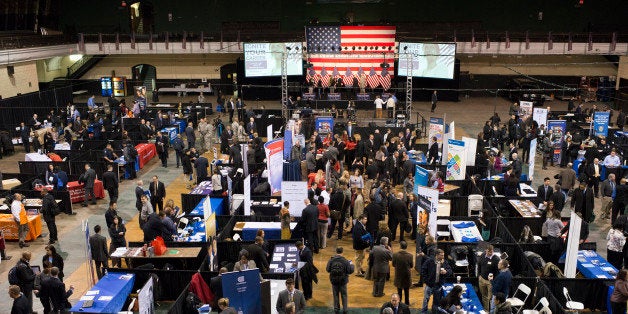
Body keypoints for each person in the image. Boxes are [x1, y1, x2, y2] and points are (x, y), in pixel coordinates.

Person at [421, 249, 452, 314]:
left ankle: (434, 312)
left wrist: (446, 271)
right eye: (441, 255)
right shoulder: (429, 261)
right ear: (437, 255)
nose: (443, 257)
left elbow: (450, 270)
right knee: (426, 300)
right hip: (429, 285)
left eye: (443, 255)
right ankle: (424, 312)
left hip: (438, 285)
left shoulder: (444, 262)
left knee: (436, 301)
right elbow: (423, 270)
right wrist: (426, 281)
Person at [326, 246, 354, 314]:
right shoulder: (345, 261)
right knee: (344, 295)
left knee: (335, 294)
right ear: (342, 252)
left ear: (336, 251)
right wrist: (352, 265)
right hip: (343, 281)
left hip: (334, 280)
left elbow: (327, 269)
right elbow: (350, 271)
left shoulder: (331, 260)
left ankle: (336, 309)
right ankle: (345, 309)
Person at [477, 245, 500, 310]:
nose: (490, 253)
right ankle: (486, 310)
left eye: (491, 252)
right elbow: (479, 265)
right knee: (484, 296)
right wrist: (479, 275)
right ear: (486, 250)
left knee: (490, 298)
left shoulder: (496, 259)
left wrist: (493, 280)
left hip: (490, 282)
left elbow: (498, 272)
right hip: (482, 279)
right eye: (489, 252)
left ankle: (491, 311)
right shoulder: (483, 255)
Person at [392, 241, 413, 305]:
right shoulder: (410, 255)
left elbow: (393, 264)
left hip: (398, 275)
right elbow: (411, 266)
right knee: (407, 290)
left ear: (400, 246)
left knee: (399, 291)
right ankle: (407, 303)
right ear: (406, 247)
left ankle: (400, 303)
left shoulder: (395, 255)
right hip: (407, 275)